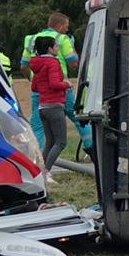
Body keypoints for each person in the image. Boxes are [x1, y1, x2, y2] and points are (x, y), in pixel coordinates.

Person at [20, 13, 78, 147]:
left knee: (37, 124)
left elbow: (23, 66)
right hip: (61, 88)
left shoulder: (31, 39)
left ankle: (40, 155)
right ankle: (91, 146)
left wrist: (33, 79)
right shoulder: (63, 39)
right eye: (66, 26)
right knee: (78, 118)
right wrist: (72, 46)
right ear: (60, 26)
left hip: (39, 90)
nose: (67, 29)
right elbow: (74, 63)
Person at [29, 35, 69, 184]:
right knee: (61, 142)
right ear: (50, 49)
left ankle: (39, 172)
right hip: (54, 106)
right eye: (56, 46)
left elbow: (34, 87)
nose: (58, 48)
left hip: (43, 107)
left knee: (50, 142)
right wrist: (67, 84)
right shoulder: (52, 62)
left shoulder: (37, 64)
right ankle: (46, 171)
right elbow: (54, 84)